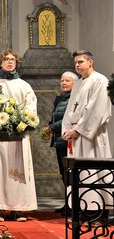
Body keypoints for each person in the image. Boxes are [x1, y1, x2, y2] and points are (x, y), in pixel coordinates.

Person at [0, 49, 38, 222]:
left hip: (18, 135)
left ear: (16, 63)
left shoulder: (24, 85)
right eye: (6, 59)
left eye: (13, 59)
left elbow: (31, 107)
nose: (10, 62)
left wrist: (19, 120)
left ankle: (18, 210)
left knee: (18, 171)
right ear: (1, 63)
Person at [62, 50, 112, 224]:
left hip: (92, 136)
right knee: (79, 175)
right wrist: (66, 129)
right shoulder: (78, 84)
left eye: (81, 61)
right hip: (76, 137)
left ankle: (99, 215)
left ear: (90, 62)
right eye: (76, 62)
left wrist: (79, 130)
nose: (77, 65)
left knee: (94, 173)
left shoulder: (100, 80)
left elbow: (96, 110)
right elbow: (70, 110)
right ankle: (82, 211)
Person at [45, 71, 78, 215]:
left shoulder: (75, 99)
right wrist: (50, 125)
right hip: (60, 140)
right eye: (62, 80)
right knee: (64, 173)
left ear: (75, 84)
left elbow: (68, 119)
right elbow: (56, 116)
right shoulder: (61, 98)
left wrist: (52, 127)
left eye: (67, 81)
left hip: (69, 140)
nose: (63, 83)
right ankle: (68, 203)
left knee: (70, 174)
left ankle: (74, 206)